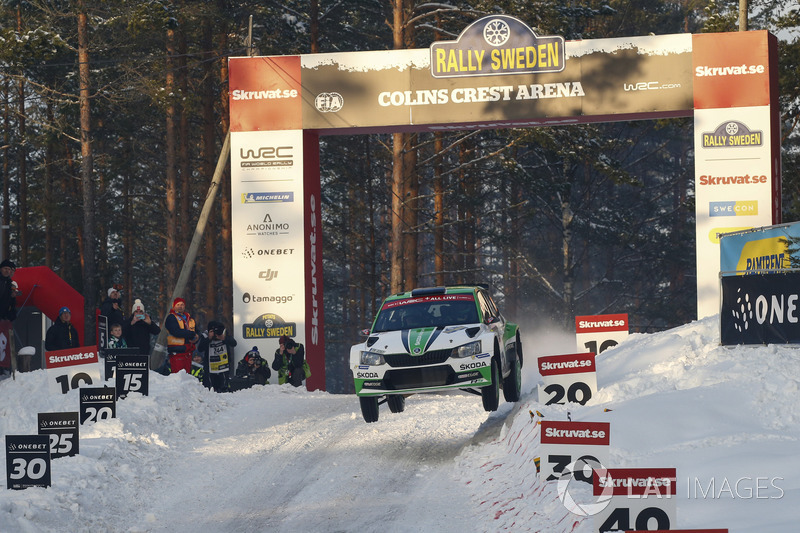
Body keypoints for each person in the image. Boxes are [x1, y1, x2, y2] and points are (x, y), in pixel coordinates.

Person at [196, 320, 236, 392]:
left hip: (223, 364)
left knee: (223, 386)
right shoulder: (205, 335)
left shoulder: (224, 334)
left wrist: (224, 338)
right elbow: (200, 348)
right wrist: (209, 338)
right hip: (210, 365)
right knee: (210, 387)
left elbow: (234, 343)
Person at [164, 297, 198, 374]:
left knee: (187, 376)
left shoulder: (190, 318)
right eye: (178, 304)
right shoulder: (171, 317)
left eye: (182, 304)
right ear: (174, 306)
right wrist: (192, 334)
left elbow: (196, 331)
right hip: (177, 351)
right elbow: (176, 332)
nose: (180, 306)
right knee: (178, 376)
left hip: (188, 350)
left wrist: (196, 338)